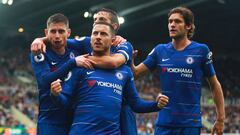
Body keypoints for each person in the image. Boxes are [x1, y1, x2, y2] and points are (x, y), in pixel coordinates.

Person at [31, 8, 139, 135]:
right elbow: (61, 38)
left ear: (114, 26)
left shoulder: (124, 45)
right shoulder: (85, 44)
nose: (96, 22)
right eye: (95, 20)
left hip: (119, 112)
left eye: (102, 20)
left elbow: (113, 63)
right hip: (54, 117)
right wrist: (40, 39)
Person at [50, 22, 169, 135]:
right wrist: (56, 94)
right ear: (90, 39)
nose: (98, 37)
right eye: (95, 33)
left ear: (112, 41)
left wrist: (156, 105)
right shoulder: (80, 66)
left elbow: (136, 104)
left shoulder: (125, 71)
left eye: (103, 34)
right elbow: (65, 102)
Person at [131, 7, 225, 135]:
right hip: (164, 124)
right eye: (170, 21)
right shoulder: (160, 50)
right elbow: (135, 74)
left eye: (177, 21)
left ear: (188, 26)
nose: (172, 25)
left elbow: (214, 85)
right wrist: (129, 60)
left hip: (190, 125)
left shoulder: (201, 50)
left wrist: (220, 119)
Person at [30, 13, 94, 135]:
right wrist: (73, 62)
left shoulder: (77, 50)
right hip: (50, 120)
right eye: (53, 31)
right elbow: (44, 80)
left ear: (68, 32)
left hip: (74, 120)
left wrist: (118, 40)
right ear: (46, 32)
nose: (57, 36)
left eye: (61, 31)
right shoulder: (39, 51)